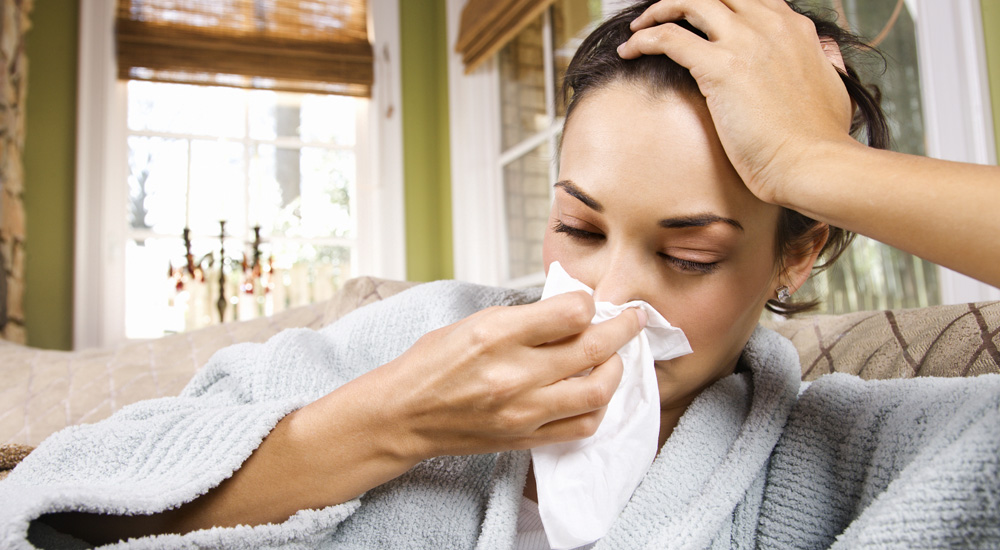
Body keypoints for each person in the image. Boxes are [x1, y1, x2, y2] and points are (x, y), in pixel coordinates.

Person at [2, 1, 998, 548]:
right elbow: (53, 501)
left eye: (688, 251)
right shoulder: (421, 336)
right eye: (576, 224)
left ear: (798, 248)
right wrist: (391, 419)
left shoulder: (839, 453)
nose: (608, 293)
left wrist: (816, 165)